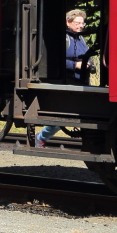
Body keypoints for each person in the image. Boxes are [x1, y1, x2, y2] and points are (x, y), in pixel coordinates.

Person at [36, 9, 92, 148]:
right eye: (78, 23)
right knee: (64, 116)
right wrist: (75, 65)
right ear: (68, 22)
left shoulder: (80, 38)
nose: (81, 26)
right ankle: (41, 137)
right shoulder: (64, 39)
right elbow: (56, 60)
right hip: (68, 81)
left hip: (81, 81)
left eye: (82, 23)